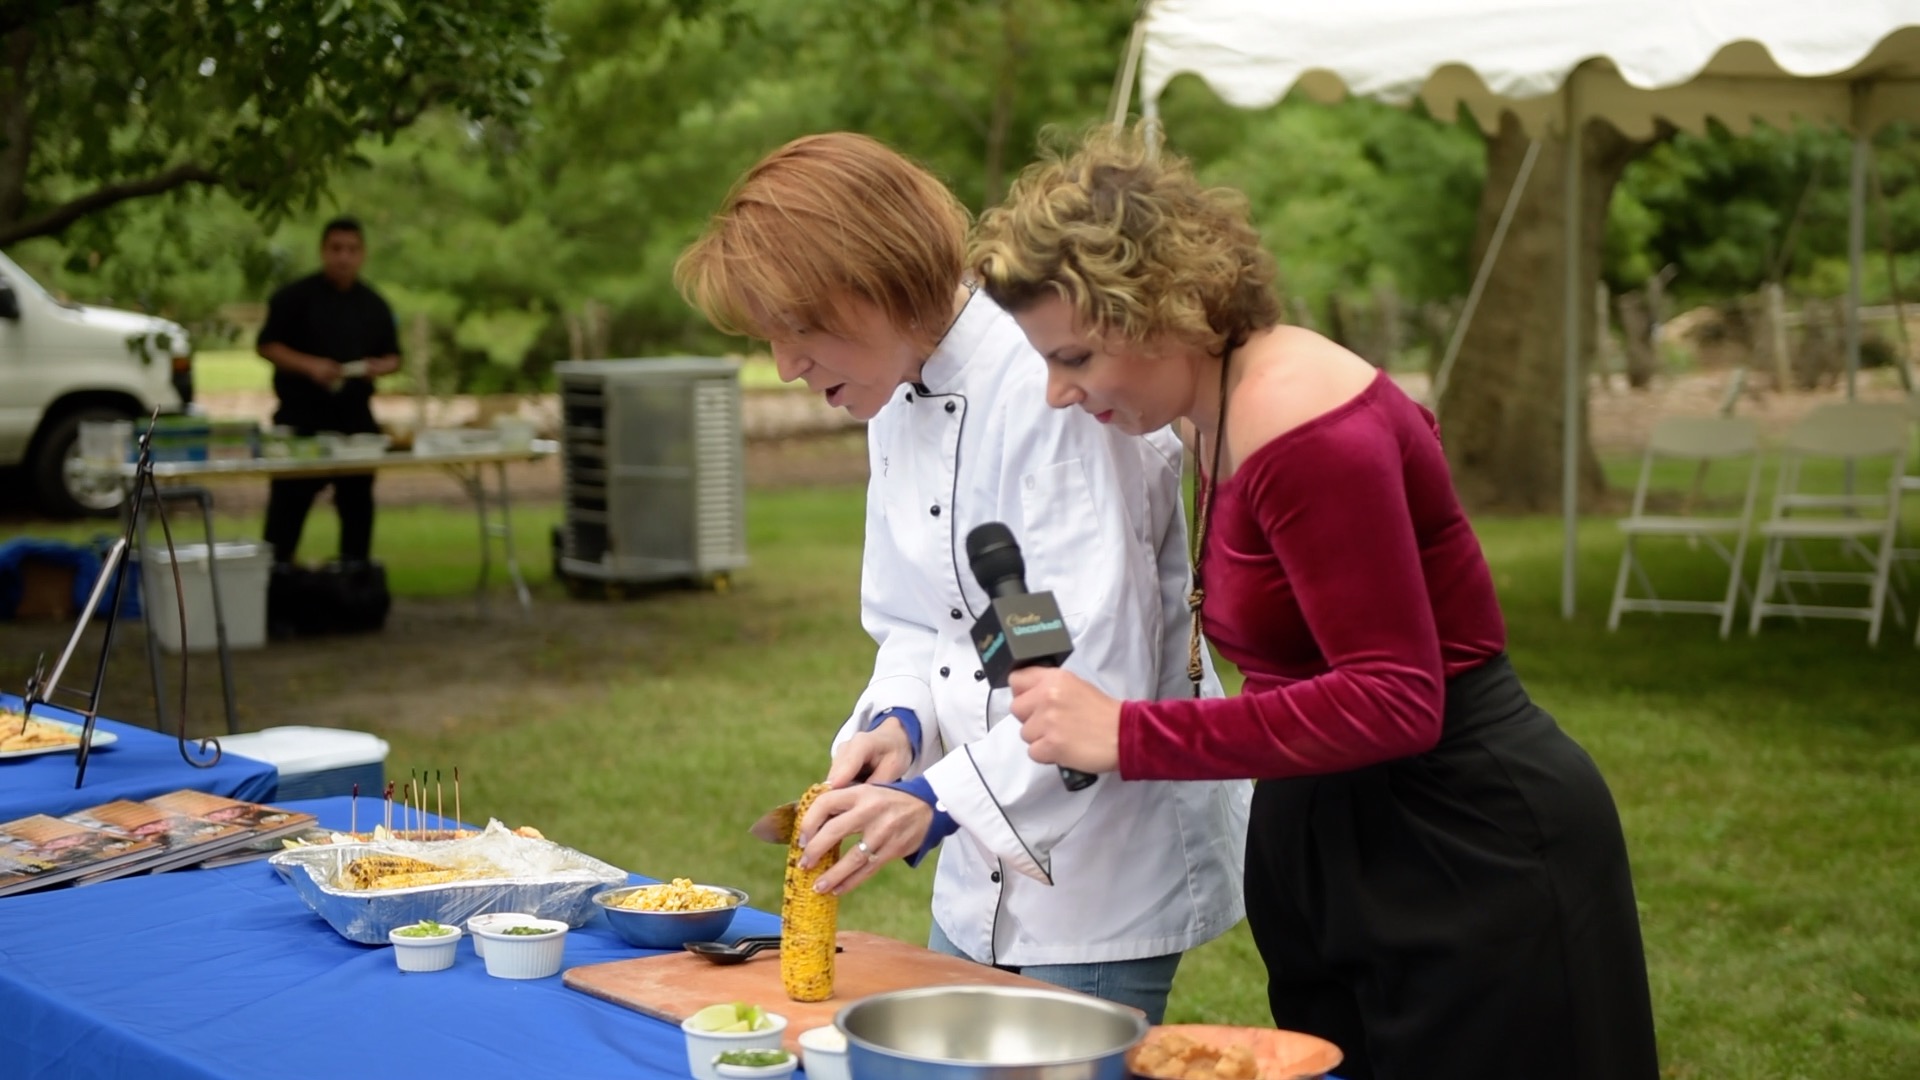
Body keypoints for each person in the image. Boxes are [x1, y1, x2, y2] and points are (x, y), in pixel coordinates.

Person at [973, 128, 1660, 1080]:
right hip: (1349, 838)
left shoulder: (1301, 420)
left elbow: (1396, 699)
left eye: (1076, 356)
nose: (1057, 392)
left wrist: (1130, 734)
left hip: (1464, 843)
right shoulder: (1210, 411)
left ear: (1165, 307)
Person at [675, 132, 1247, 1023]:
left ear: (879, 281)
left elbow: (1096, 669)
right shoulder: (892, 395)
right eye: (771, 338)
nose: (786, 366)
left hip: (1102, 881)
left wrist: (934, 803)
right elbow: (922, 620)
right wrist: (899, 724)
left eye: (800, 329)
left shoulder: (1051, 388)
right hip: (975, 872)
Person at [257, 216, 402, 565]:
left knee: (357, 509)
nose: (343, 257)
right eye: (336, 249)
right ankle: (278, 580)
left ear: (362, 254)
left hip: (354, 419)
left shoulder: (374, 304)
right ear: (323, 251)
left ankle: (353, 578)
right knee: (287, 510)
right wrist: (310, 366)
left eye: (352, 250)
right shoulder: (294, 298)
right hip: (301, 418)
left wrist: (378, 367)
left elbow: (394, 356)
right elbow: (267, 345)